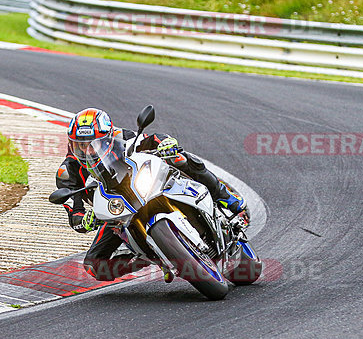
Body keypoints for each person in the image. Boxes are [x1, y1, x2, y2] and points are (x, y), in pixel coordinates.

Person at [56, 108, 248, 282]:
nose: (88, 150)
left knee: (179, 158)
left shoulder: (121, 137)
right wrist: (86, 220)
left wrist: (166, 143)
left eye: (93, 144)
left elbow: (152, 138)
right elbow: (74, 214)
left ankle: (228, 198)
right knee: (93, 266)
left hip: (145, 185)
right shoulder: (67, 171)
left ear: (107, 137)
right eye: (80, 145)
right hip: (117, 212)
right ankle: (147, 258)